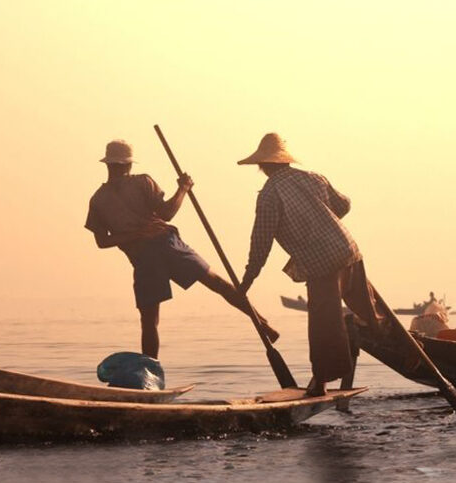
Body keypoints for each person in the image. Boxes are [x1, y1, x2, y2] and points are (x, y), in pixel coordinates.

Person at [85, 139, 279, 359]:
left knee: (149, 322)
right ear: (128, 164)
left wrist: (133, 235)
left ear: (108, 164)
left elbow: (102, 241)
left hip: (145, 256)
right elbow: (167, 214)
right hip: (164, 247)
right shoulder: (140, 183)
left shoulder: (98, 199)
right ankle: (263, 324)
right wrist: (183, 189)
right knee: (218, 284)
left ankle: (152, 371)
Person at [237, 132, 389, 397]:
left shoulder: (270, 194)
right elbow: (344, 204)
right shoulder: (314, 178)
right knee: (371, 314)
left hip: (322, 265)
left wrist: (248, 279)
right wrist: (321, 219)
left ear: (263, 165)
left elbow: (261, 241)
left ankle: (319, 382)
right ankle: (406, 349)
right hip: (349, 250)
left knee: (322, 325)